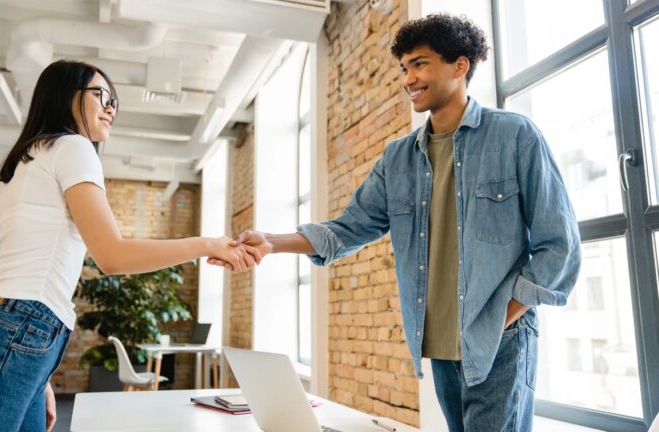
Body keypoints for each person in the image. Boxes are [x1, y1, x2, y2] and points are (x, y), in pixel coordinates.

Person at [210, 14, 581, 431]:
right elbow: (349, 228)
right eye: (405, 67)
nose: (408, 78)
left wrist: (503, 315)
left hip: (502, 343)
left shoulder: (515, 136)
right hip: (441, 348)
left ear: (460, 66)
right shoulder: (397, 158)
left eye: (419, 64)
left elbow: (559, 244)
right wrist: (272, 242)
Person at [0, 60, 260, 431]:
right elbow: (112, 256)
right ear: (65, 95)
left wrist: (40, 375)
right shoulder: (72, 146)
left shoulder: (33, 157)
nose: (110, 106)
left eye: (113, 99)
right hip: (18, 334)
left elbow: (3, 271)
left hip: (14, 336)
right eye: (99, 94)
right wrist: (208, 243)